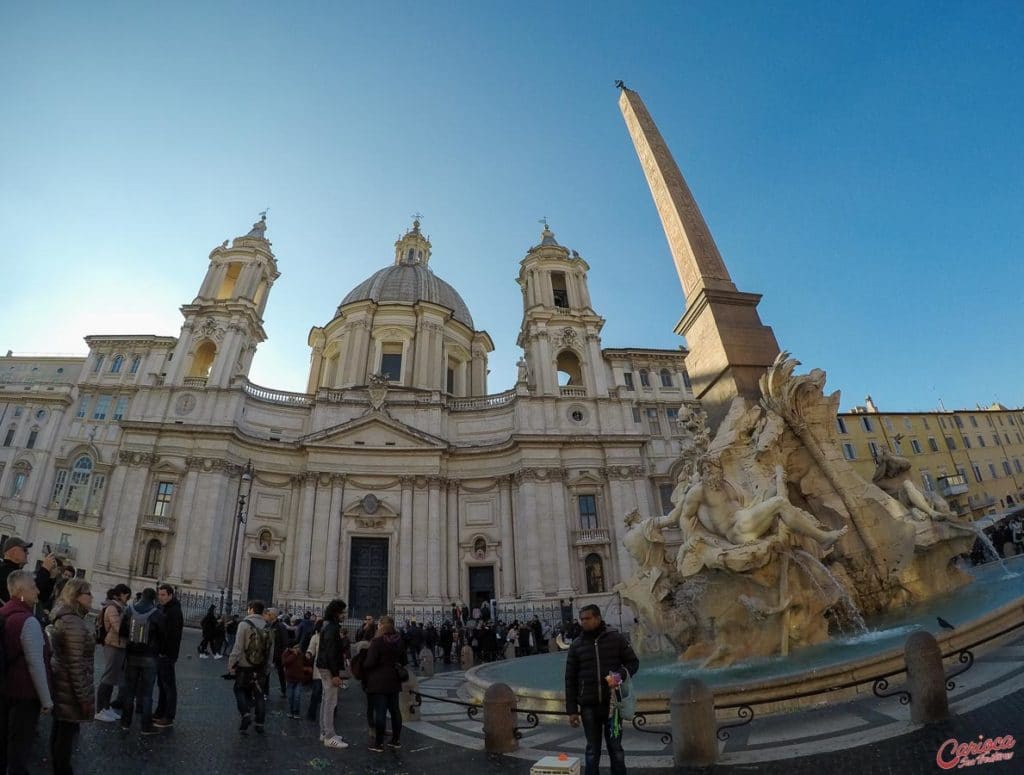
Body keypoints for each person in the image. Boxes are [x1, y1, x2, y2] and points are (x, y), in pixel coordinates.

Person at [565, 604, 640, 775]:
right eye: (581, 619)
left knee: (616, 749)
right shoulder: (576, 645)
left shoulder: (616, 639)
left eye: (587, 618)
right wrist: (572, 710)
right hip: (588, 706)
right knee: (592, 750)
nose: (583, 622)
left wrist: (619, 675)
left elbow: (633, 663)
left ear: (598, 618)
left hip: (612, 705)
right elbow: (570, 679)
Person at [0, 570, 54, 774]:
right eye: (33, 587)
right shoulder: (27, 621)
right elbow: (36, 663)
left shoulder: (4, 612)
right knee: (20, 746)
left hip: (5, 688)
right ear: (21, 591)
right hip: (24, 693)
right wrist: (47, 700)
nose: (38, 591)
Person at [48, 578, 95, 775]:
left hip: (62, 682)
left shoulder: (66, 617)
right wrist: (83, 697)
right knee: (66, 732)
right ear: (77, 596)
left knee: (60, 727)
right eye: (88, 594)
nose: (91, 597)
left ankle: (57, 765)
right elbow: (76, 664)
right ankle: (61, 769)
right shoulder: (74, 623)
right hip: (69, 686)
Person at [119, 587, 166, 735]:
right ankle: (145, 726)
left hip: (132, 655)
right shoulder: (157, 613)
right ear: (154, 599)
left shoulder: (129, 609)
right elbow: (163, 636)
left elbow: (122, 632)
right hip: (150, 657)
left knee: (129, 691)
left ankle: (125, 722)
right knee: (147, 693)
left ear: (142, 596)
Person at [362, 615, 406, 753]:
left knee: (380, 712)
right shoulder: (399, 641)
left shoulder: (377, 641)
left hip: (378, 681)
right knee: (395, 711)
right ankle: (396, 741)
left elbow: (370, 663)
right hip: (394, 680)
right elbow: (404, 661)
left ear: (382, 625)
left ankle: (379, 743)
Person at [228, 599, 273, 734]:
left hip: (244, 665)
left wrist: (231, 663)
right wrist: (268, 667)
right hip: (260, 666)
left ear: (251, 609)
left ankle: (246, 714)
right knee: (259, 694)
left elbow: (238, 647)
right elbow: (271, 650)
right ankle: (260, 723)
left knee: (239, 689)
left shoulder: (244, 624)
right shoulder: (268, 626)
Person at [315, 599, 349, 749]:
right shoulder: (332, 628)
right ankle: (329, 736)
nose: (345, 615)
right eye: (343, 612)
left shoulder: (327, 625)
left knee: (326, 699)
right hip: (329, 668)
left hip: (324, 667)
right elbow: (331, 652)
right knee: (330, 702)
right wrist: (335, 674)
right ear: (337, 612)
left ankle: (324, 732)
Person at [95, 583, 131, 721]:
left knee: (112, 677)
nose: (127, 598)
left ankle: (106, 707)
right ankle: (99, 709)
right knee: (108, 676)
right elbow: (118, 627)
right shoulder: (112, 607)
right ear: (120, 594)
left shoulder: (120, 607)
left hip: (119, 645)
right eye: (126, 594)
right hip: (113, 644)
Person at [153, 584, 183, 728]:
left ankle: (169, 716)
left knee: (168, 686)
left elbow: (172, 635)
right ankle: (160, 711)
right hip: (161, 653)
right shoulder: (165, 608)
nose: (161, 597)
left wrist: (164, 651)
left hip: (167, 654)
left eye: (164, 595)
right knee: (162, 684)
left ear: (171, 595)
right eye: (159, 594)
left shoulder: (174, 611)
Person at [0, 537, 57, 606]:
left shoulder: (15, 571)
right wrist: (45, 569)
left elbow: (41, 597)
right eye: (24, 550)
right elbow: (28, 594)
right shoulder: (4, 571)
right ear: (13, 552)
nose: (28, 553)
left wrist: (51, 577)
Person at [264, 608, 289, 698]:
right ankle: (265, 692)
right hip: (269, 653)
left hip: (278, 654)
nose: (266, 616)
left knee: (281, 673)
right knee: (267, 673)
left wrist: (282, 654)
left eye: (268, 614)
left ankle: (284, 690)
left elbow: (285, 641)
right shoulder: (267, 625)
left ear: (272, 615)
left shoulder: (280, 626)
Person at [281, 643, 307, 719]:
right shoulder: (286, 653)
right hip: (290, 679)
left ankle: (296, 712)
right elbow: (285, 662)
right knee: (290, 696)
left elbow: (305, 662)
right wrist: (294, 655)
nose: (298, 649)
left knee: (297, 696)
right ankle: (291, 711)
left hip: (298, 679)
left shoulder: (301, 654)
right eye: (296, 647)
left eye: (299, 647)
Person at [305, 619, 324, 721]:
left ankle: (331, 713)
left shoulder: (334, 637)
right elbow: (311, 649)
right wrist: (309, 653)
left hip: (330, 670)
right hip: (318, 669)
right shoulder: (315, 637)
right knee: (316, 692)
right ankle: (311, 713)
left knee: (330, 694)